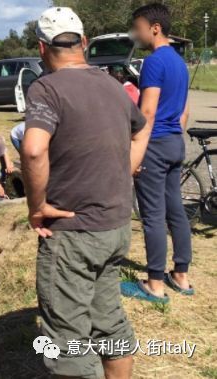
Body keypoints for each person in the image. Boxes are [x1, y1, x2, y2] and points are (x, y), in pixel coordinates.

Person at [22, 7, 149, 379]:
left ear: (42, 48)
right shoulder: (112, 84)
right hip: (115, 228)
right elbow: (141, 131)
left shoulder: (46, 86)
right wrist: (120, 172)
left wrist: (37, 206)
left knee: (69, 344)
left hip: (74, 234)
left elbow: (32, 149)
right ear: (84, 42)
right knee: (109, 320)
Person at [122, 3, 194, 303]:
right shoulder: (179, 62)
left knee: (152, 214)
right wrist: (174, 136)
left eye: (137, 27)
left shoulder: (153, 62)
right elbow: (184, 111)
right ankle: (181, 275)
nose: (134, 33)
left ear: (154, 28)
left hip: (154, 144)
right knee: (175, 209)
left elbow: (147, 111)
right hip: (175, 142)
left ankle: (154, 283)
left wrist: (134, 153)